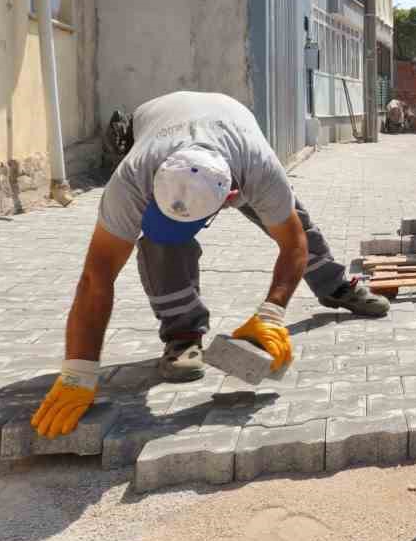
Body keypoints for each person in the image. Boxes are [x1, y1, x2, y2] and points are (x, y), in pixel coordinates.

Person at [29, 92, 389, 440]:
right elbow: (96, 278)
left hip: (230, 122)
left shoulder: (259, 171)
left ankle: (334, 285)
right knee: (161, 247)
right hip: (159, 120)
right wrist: (78, 370)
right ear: (154, 188)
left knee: (296, 222)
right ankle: (182, 335)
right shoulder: (133, 178)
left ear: (230, 198)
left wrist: (271, 314)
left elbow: (293, 243)